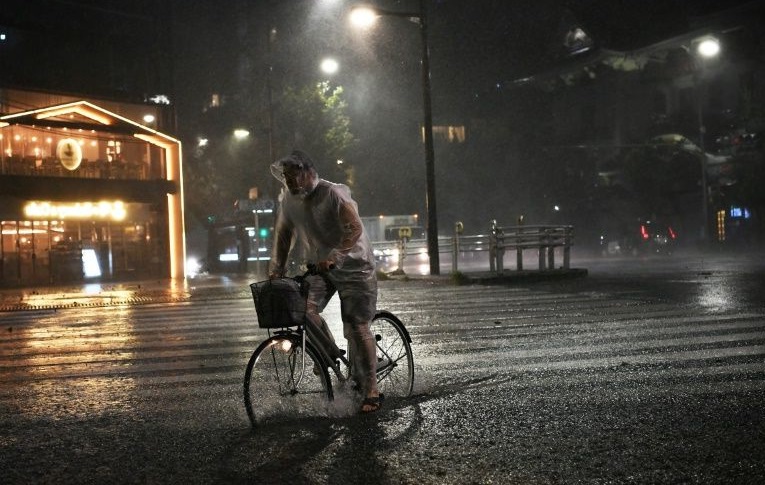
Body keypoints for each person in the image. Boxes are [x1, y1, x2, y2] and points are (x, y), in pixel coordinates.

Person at [268, 150, 382, 413]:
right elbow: (284, 236)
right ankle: (330, 357)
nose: (290, 182)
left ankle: (372, 389)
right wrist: (277, 269)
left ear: (308, 173)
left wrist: (336, 256)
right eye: (286, 177)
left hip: (354, 265)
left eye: (294, 175)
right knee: (303, 310)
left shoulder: (332, 193)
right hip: (322, 268)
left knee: (357, 325)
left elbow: (354, 228)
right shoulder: (289, 200)